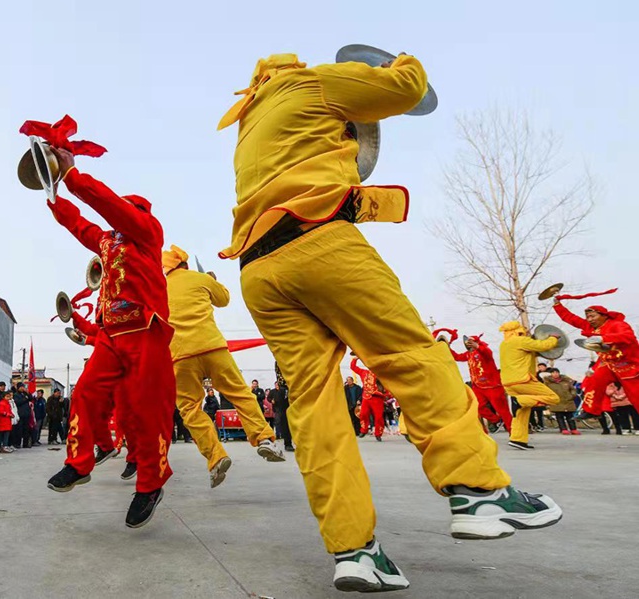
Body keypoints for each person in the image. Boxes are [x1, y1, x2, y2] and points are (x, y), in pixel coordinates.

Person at [216, 50, 561, 591]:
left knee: (313, 409)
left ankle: (355, 551)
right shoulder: (310, 85)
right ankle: (478, 493)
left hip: (257, 269)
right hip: (319, 242)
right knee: (412, 358)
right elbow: (404, 88)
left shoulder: (248, 123)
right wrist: (399, 58)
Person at [40, 140, 176, 529]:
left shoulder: (149, 234)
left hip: (145, 330)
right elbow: (79, 224)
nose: (119, 219)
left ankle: (150, 485)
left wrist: (73, 176)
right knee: (85, 393)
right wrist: (53, 193)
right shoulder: (108, 242)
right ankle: (79, 464)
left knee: (145, 412)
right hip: (111, 336)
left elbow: (106, 205)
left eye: (125, 212)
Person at [163, 245, 283, 488]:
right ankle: (264, 439)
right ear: (185, 264)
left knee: (189, 409)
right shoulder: (200, 278)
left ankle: (216, 457)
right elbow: (224, 300)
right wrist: (212, 280)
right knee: (240, 393)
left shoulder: (157, 288)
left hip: (179, 355)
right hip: (212, 347)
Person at [553, 298, 639, 415]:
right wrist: (558, 305)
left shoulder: (618, 324)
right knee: (593, 379)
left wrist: (604, 338)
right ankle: (591, 410)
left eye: (593, 316)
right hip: (608, 362)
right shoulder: (590, 326)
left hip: (629, 364)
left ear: (604, 316)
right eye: (588, 317)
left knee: (636, 395)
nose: (590, 320)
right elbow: (572, 319)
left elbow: (628, 336)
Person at [498, 322, 561, 450]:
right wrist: (553, 337)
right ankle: (518, 401)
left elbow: (528, 354)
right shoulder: (520, 340)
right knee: (553, 398)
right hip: (523, 380)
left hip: (508, 382)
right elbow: (543, 345)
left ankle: (518, 439)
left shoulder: (504, 344)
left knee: (522, 412)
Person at [441, 334, 512, 434]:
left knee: (503, 410)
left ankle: (514, 434)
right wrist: (447, 347)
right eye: (468, 342)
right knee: (477, 406)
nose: (468, 344)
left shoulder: (485, 351)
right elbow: (456, 357)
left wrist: (477, 346)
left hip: (492, 386)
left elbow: (487, 353)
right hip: (477, 386)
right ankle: (496, 420)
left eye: (471, 342)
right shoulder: (468, 354)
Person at [350, 358, 391, 441]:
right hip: (366, 398)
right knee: (363, 414)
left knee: (379, 417)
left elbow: (388, 386)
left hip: (377, 399)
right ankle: (364, 430)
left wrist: (387, 395)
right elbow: (353, 367)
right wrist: (355, 358)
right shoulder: (363, 372)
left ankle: (378, 434)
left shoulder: (381, 375)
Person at [542, 368, 580, 435]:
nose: (555, 374)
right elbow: (545, 391)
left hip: (568, 400)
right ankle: (563, 429)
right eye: (553, 373)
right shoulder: (548, 382)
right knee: (559, 416)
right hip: (557, 401)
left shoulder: (565, 381)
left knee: (570, 416)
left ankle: (573, 429)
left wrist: (573, 395)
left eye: (557, 372)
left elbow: (572, 389)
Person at [270, 380, 293, 452]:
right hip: (284, 409)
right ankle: (288, 444)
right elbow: (276, 399)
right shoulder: (282, 389)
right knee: (285, 425)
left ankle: (289, 443)